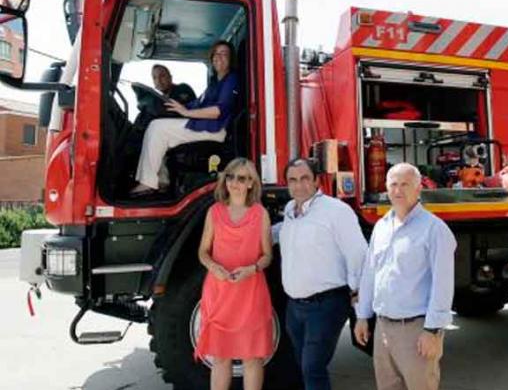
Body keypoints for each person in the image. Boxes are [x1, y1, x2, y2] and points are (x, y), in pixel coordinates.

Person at [355, 162, 457, 390]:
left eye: (405, 184)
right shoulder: (381, 226)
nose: (398, 190)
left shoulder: (434, 229)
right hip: (383, 329)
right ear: (386, 189)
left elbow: (443, 284)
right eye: (393, 184)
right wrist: (362, 315)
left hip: (416, 330)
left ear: (419, 188)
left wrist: (432, 330)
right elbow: (370, 273)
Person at [279, 158, 368, 390]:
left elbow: (358, 255)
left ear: (317, 180)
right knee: (302, 366)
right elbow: (279, 234)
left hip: (326, 305)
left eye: (305, 178)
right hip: (295, 309)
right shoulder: (290, 210)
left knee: (313, 369)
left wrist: (360, 307)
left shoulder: (336, 211)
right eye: (293, 180)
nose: (299, 185)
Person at [195, 157, 273, 390]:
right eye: (230, 176)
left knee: (252, 357)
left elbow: (267, 255)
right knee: (220, 357)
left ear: (251, 183)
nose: (234, 182)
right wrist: (213, 267)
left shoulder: (260, 214)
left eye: (241, 178)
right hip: (219, 292)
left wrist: (252, 269)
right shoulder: (214, 212)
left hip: (250, 292)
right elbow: (202, 251)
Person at [130, 40, 239, 195]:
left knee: (157, 128)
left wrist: (186, 113)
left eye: (224, 54)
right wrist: (175, 106)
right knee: (156, 127)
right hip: (203, 125)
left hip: (215, 129)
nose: (219, 57)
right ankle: (160, 180)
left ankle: (148, 183)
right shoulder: (214, 83)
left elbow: (218, 111)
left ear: (231, 59)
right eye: (216, 53)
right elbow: (196, 103)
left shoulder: (231, 80)